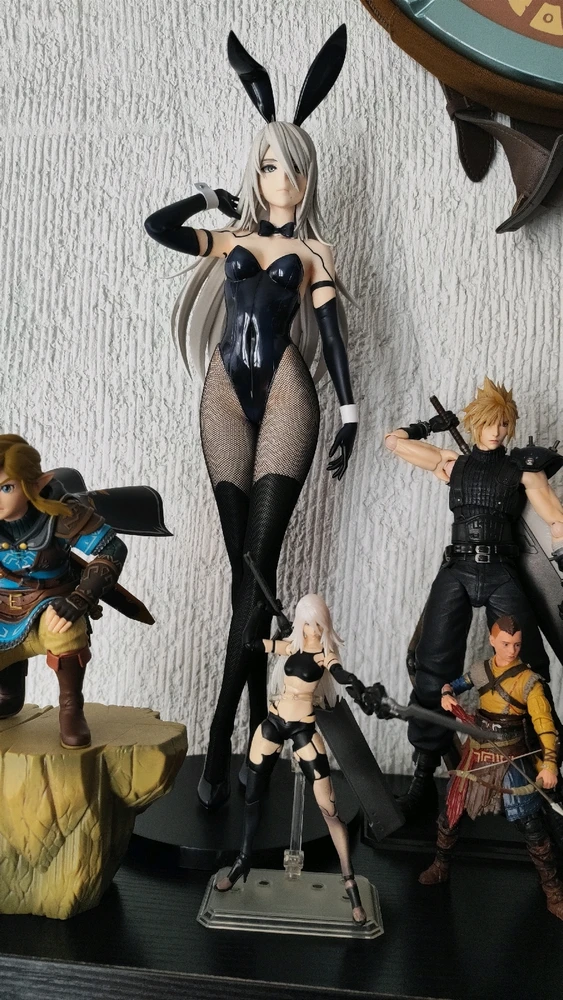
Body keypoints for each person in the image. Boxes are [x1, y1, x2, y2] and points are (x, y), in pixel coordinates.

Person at [144, 27, 359, 809]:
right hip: (225, 398)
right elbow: (158, 229)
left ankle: (224, 738)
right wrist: (208, 196)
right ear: (256, 170)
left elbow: (330, 335)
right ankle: (246, 733)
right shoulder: (230, 236)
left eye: (293, 168)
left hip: (290, 398)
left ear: (308, 176)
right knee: (246, 577)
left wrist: (350, 412)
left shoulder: (318, 252)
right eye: (270, 165)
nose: (281, 180)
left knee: (258, 565)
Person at [385, 378, 563, 818]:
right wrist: (430, 425)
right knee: (432, 668)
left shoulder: (523, 469)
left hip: (501, 571)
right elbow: (394, 442)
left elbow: (555, 515)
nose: (496, 431)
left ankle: (548, 770)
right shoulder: (454, 464)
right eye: (489, 422)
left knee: (531, 670)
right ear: (474, 422)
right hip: (459, 571)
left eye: (503, 423)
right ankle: (423, 776)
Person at [214, 593, 373, 925]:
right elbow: (249, 643)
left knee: (329, 809)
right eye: (308, 622)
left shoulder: (324, 653)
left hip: (303, 729)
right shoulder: (291, 646)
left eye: (318, 623)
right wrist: (259, 610)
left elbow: (340, 673)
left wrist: (357, 687)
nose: (313, 628)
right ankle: (243, 859)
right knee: (252, 796)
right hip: (273, 722)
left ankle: (349, 882)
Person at [419, 615, 563, 921]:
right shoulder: (480, 670)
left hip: (511, 757)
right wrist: (446, 694)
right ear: (493, 640)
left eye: (517, 645)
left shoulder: (529, 682)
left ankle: (553, 891)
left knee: (531, 826)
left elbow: (545, 726)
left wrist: (550, 764)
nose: (512, 651)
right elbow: (453, 685)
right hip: (478, 753)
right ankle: (441, 865)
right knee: (451, 814)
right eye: (506, 644)